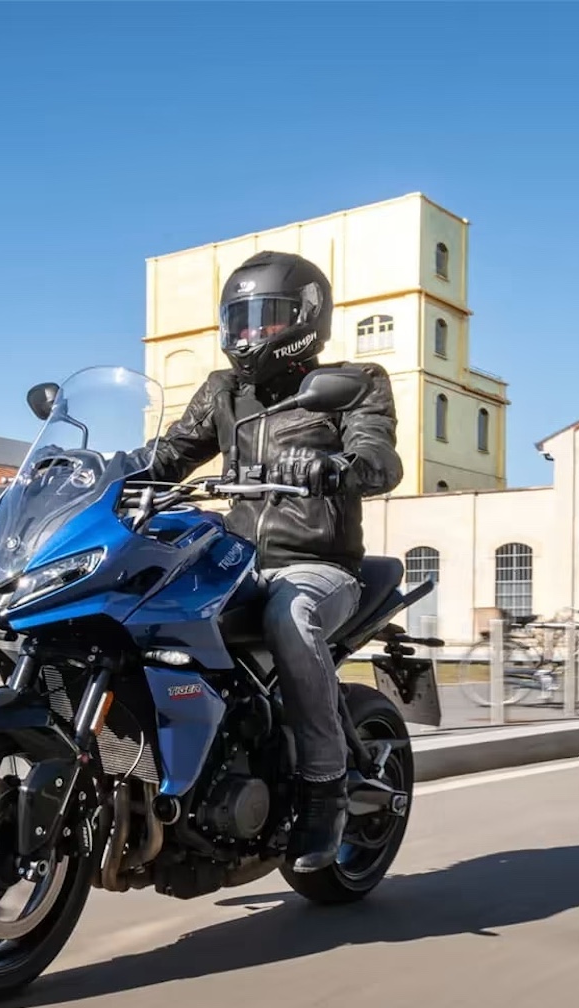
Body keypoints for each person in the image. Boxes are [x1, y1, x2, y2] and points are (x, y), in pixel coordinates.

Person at [143, 250, 403, 874]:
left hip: (315, 564)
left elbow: (382, 460)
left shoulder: (356, 382)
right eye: (241, 319)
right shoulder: (224, 391)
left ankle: (324, 787)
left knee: (291, 613)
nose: (249, 334)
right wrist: (104, 472)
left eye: (267, 319)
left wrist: (337, 467)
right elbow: (173, 452)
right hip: (234, 560)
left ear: (307, 320)